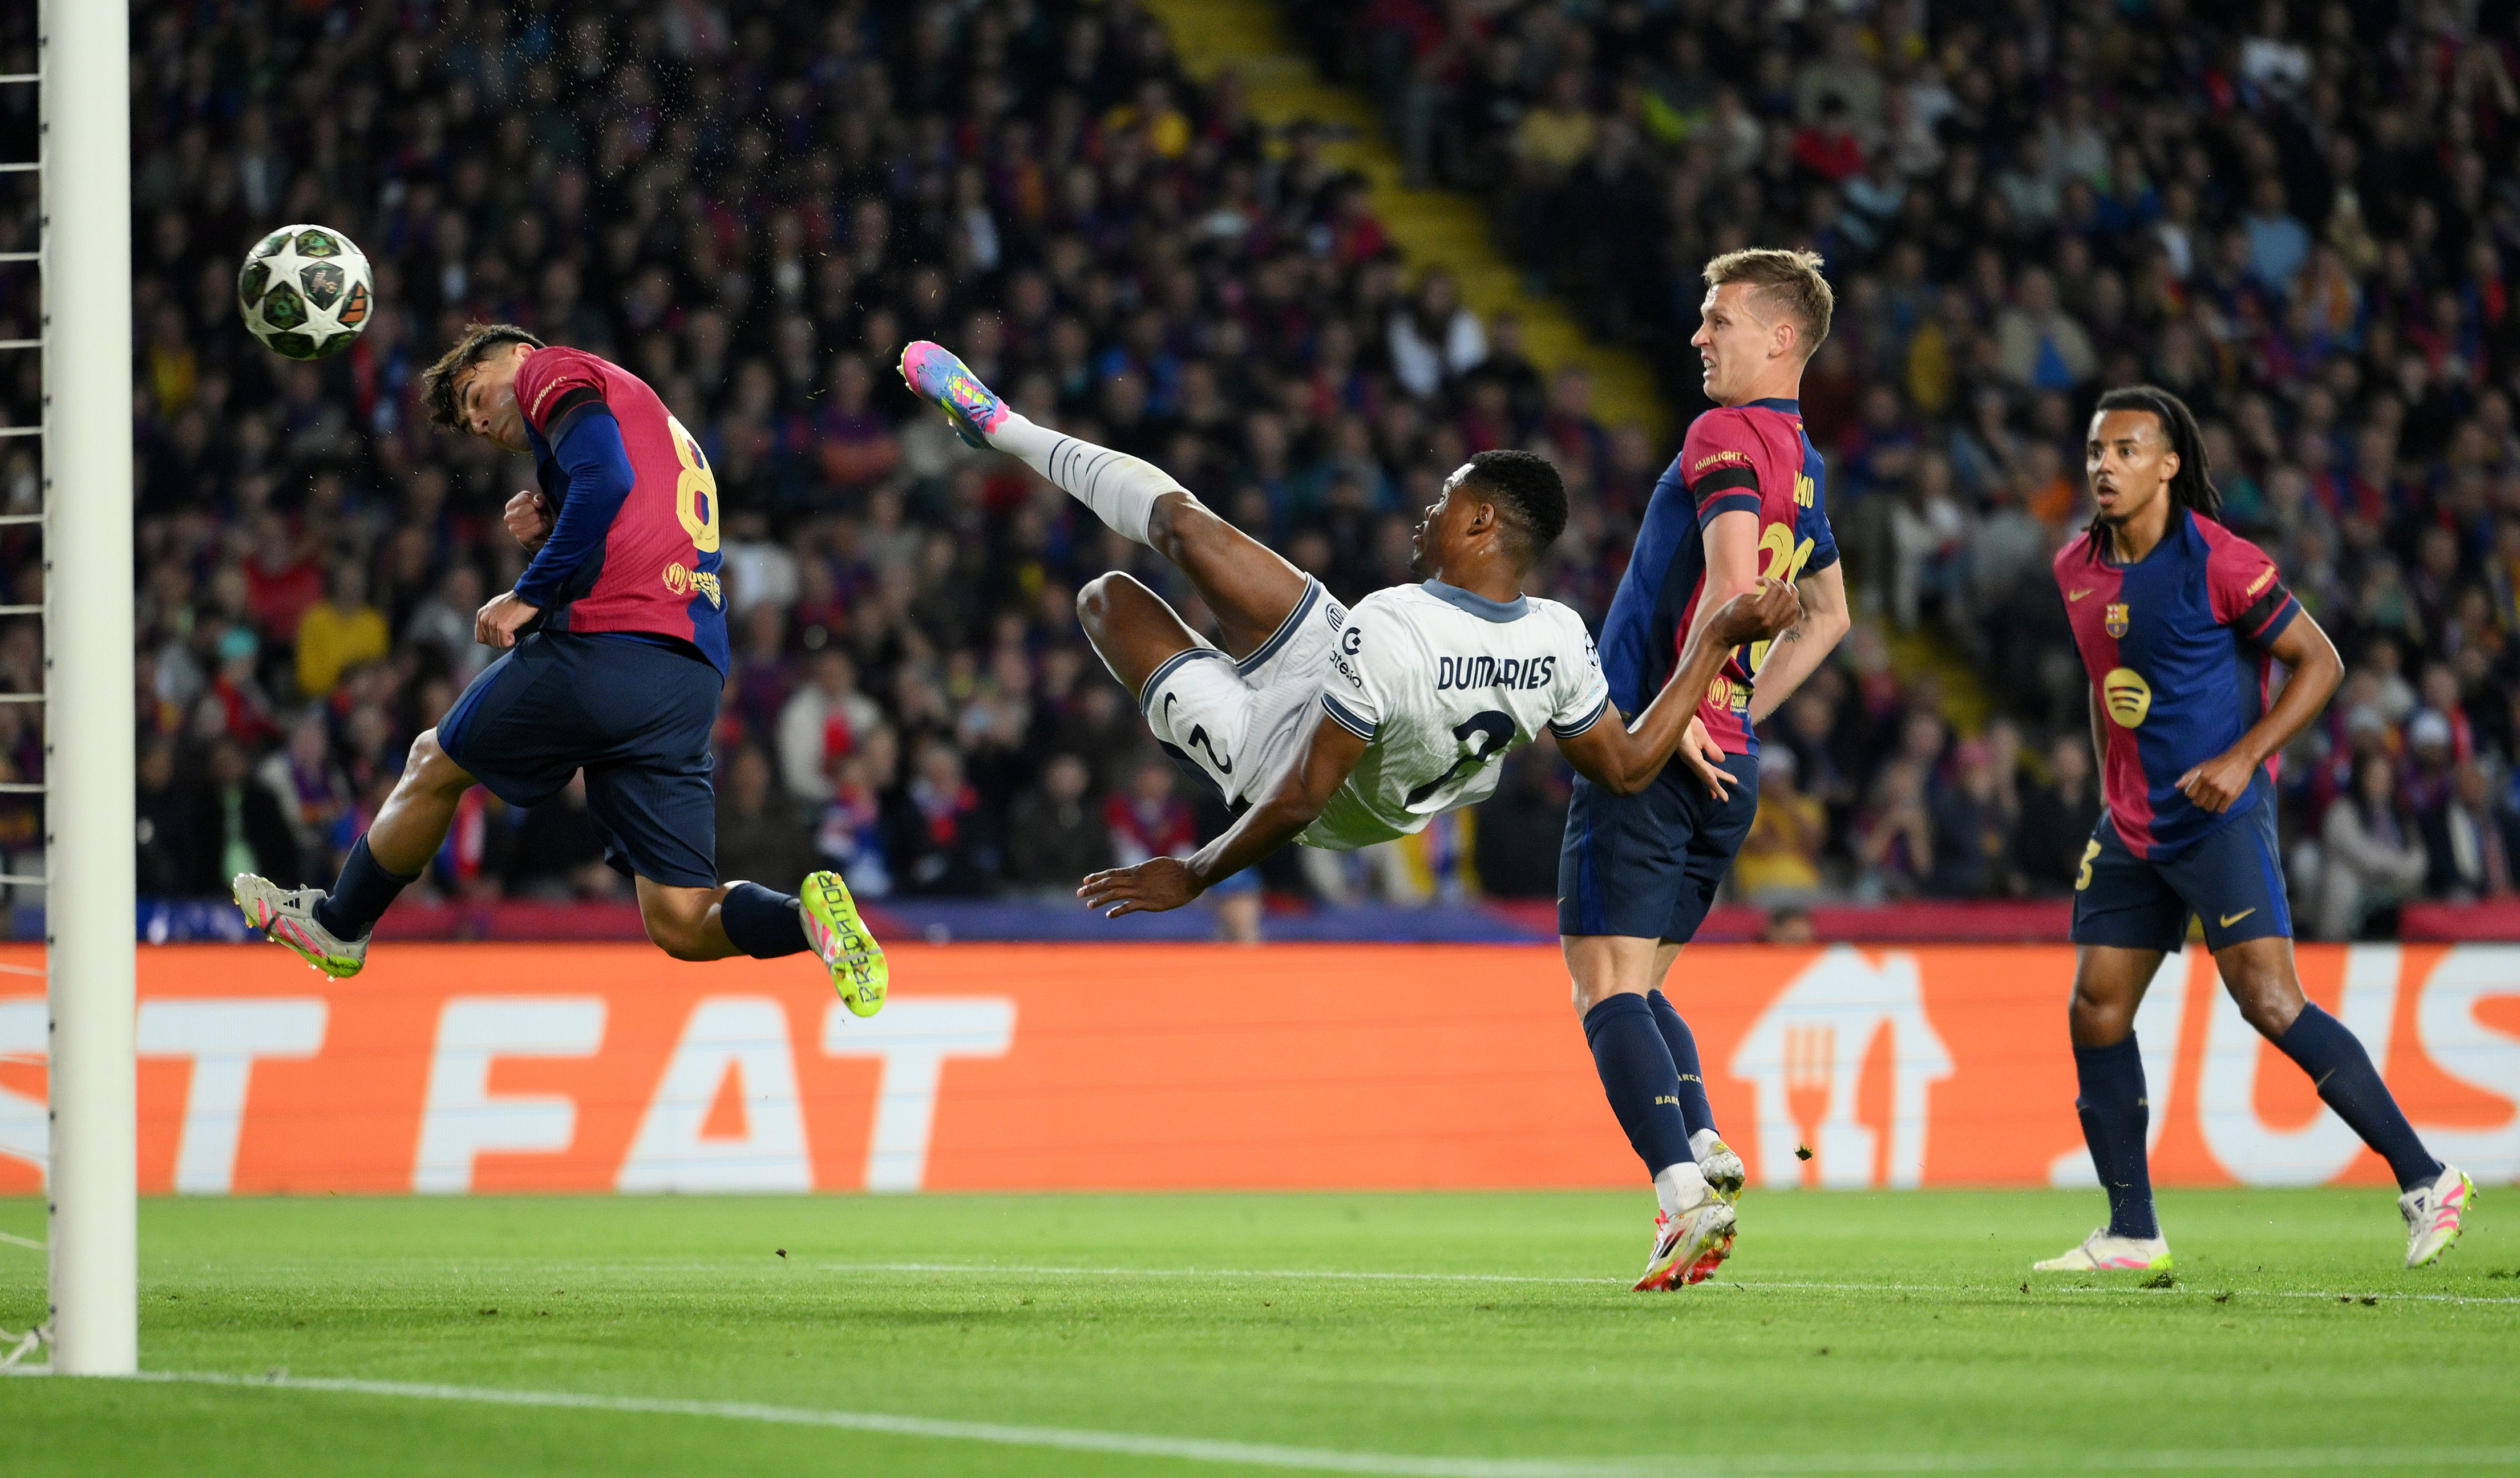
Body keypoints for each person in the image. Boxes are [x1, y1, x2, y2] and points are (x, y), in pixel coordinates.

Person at [897, 346, 1798, 1284]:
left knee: (1104, 597)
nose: (1424, 512)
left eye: (1443, 500)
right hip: (1342, 686)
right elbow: (1623, 764)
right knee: (1182, 522)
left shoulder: (1394, 626)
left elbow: (1297, 795)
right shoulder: (1555, 637)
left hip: (1279, 757)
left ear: (1481, 521)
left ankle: (1679, 1172)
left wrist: (1194, 870)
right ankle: (1001, 426)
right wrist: (1710, 647)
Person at [230, 324, 885, 1016]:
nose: (480, 419)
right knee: (682, 919)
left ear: (513, 354)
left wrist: (530, 591)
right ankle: (809, 923)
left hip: (609, 647)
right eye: (471, 424)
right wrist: (559, 519)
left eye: (473, 393)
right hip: (687, 675)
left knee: (432, 760)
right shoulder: (643, 411)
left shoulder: (549, 369)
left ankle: (338, 926)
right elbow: (630, 498)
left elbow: (606, 479)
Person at [2042, 384, 2469, 1274]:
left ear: (2167, 464)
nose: (2103, 467)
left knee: (2271, 1002)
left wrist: (2244, 758)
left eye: (2124, 451)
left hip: (2219, 816)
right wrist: (2109, 779)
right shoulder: (2074, 567)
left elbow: (2321, 661)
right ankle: (2131, 1230)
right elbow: (2102, 678)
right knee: (2096, 1008)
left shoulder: (2222, 560)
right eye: (2094, 451)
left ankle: (2428, 1177)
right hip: (2132, 822)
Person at [1560, 248, 1852, 1291]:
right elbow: (1829, 618)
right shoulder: (1801, 457)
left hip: (1651, 748)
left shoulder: (1722, 434)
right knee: (1642, 983)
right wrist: (1733, 711)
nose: (1698, 336)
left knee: (1602, 987)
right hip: (1728, 760)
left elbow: (1733, 592)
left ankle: (1682, 1192)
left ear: (1781, 338)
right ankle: (1706, 1137)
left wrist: (1675, 704)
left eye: (1718, 320)